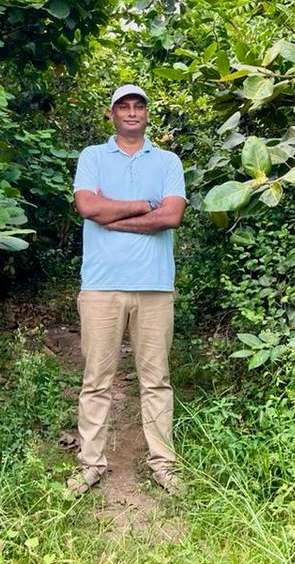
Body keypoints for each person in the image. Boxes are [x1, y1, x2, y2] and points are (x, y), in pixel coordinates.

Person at [67, 84, 187, 496]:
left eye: (138, 106)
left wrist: (113, 214)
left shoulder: (168, 160)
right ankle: (90, 465)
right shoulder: (93, 157)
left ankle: (164, 465)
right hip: (101, 288)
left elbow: (171, 216)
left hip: (154, 287)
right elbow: (88, 208)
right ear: (112, 115)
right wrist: (141, 205)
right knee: (96, 380)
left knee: (156, 380)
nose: (132, 113)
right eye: (124, 107)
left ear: (147, 114)